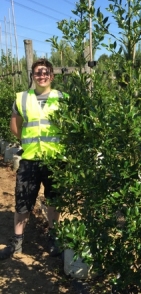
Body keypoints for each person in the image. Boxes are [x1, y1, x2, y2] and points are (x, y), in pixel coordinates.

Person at [0, 58, 67, 259]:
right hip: (29, 159)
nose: (42, 75)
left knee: (54, 200)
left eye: (46, 72)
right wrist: (27, 142)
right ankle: (17, 242)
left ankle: (54, 237)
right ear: (33, 75)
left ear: (52, 76)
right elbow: (15, 126)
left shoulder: (63, 98)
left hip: (55, 159)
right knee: (23, 201)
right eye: (38, 72)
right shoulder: (22, 98)